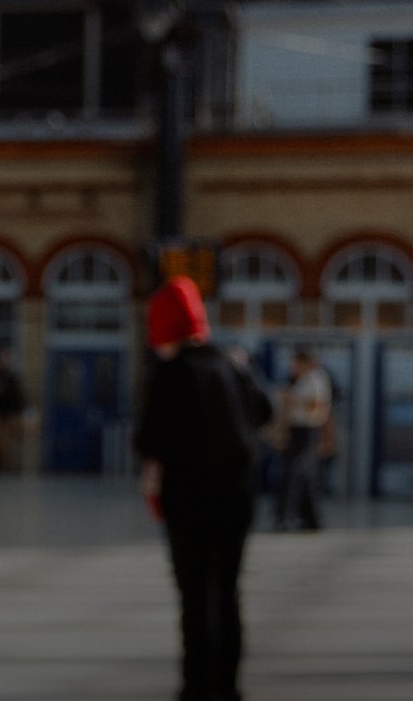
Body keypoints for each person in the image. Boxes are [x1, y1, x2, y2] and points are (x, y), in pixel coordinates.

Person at [134, 276, 273, 701]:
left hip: (188, 499)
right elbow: (263, 412)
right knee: (227, 593)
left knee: (195, 596)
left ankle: (197, 687)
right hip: (236, 497)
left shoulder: (171, 373)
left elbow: (146, 439)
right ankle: (228, 686)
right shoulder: (233, 363)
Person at [275, 347, 331, 532]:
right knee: (305, 476)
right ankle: (309, 518)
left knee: (294, 473)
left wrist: (291, 399)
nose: (293, 367)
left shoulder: (315, 378)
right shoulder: (303, 380)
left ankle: (288, 517)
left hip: (307, 431)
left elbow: (316, 406)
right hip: (299, 430)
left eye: (296, 363)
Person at [0, 345, 28, 472]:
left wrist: (18, 413)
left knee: (5, 443)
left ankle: (4, 466)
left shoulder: (13, 377)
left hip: (8, 414)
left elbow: (19, 397)